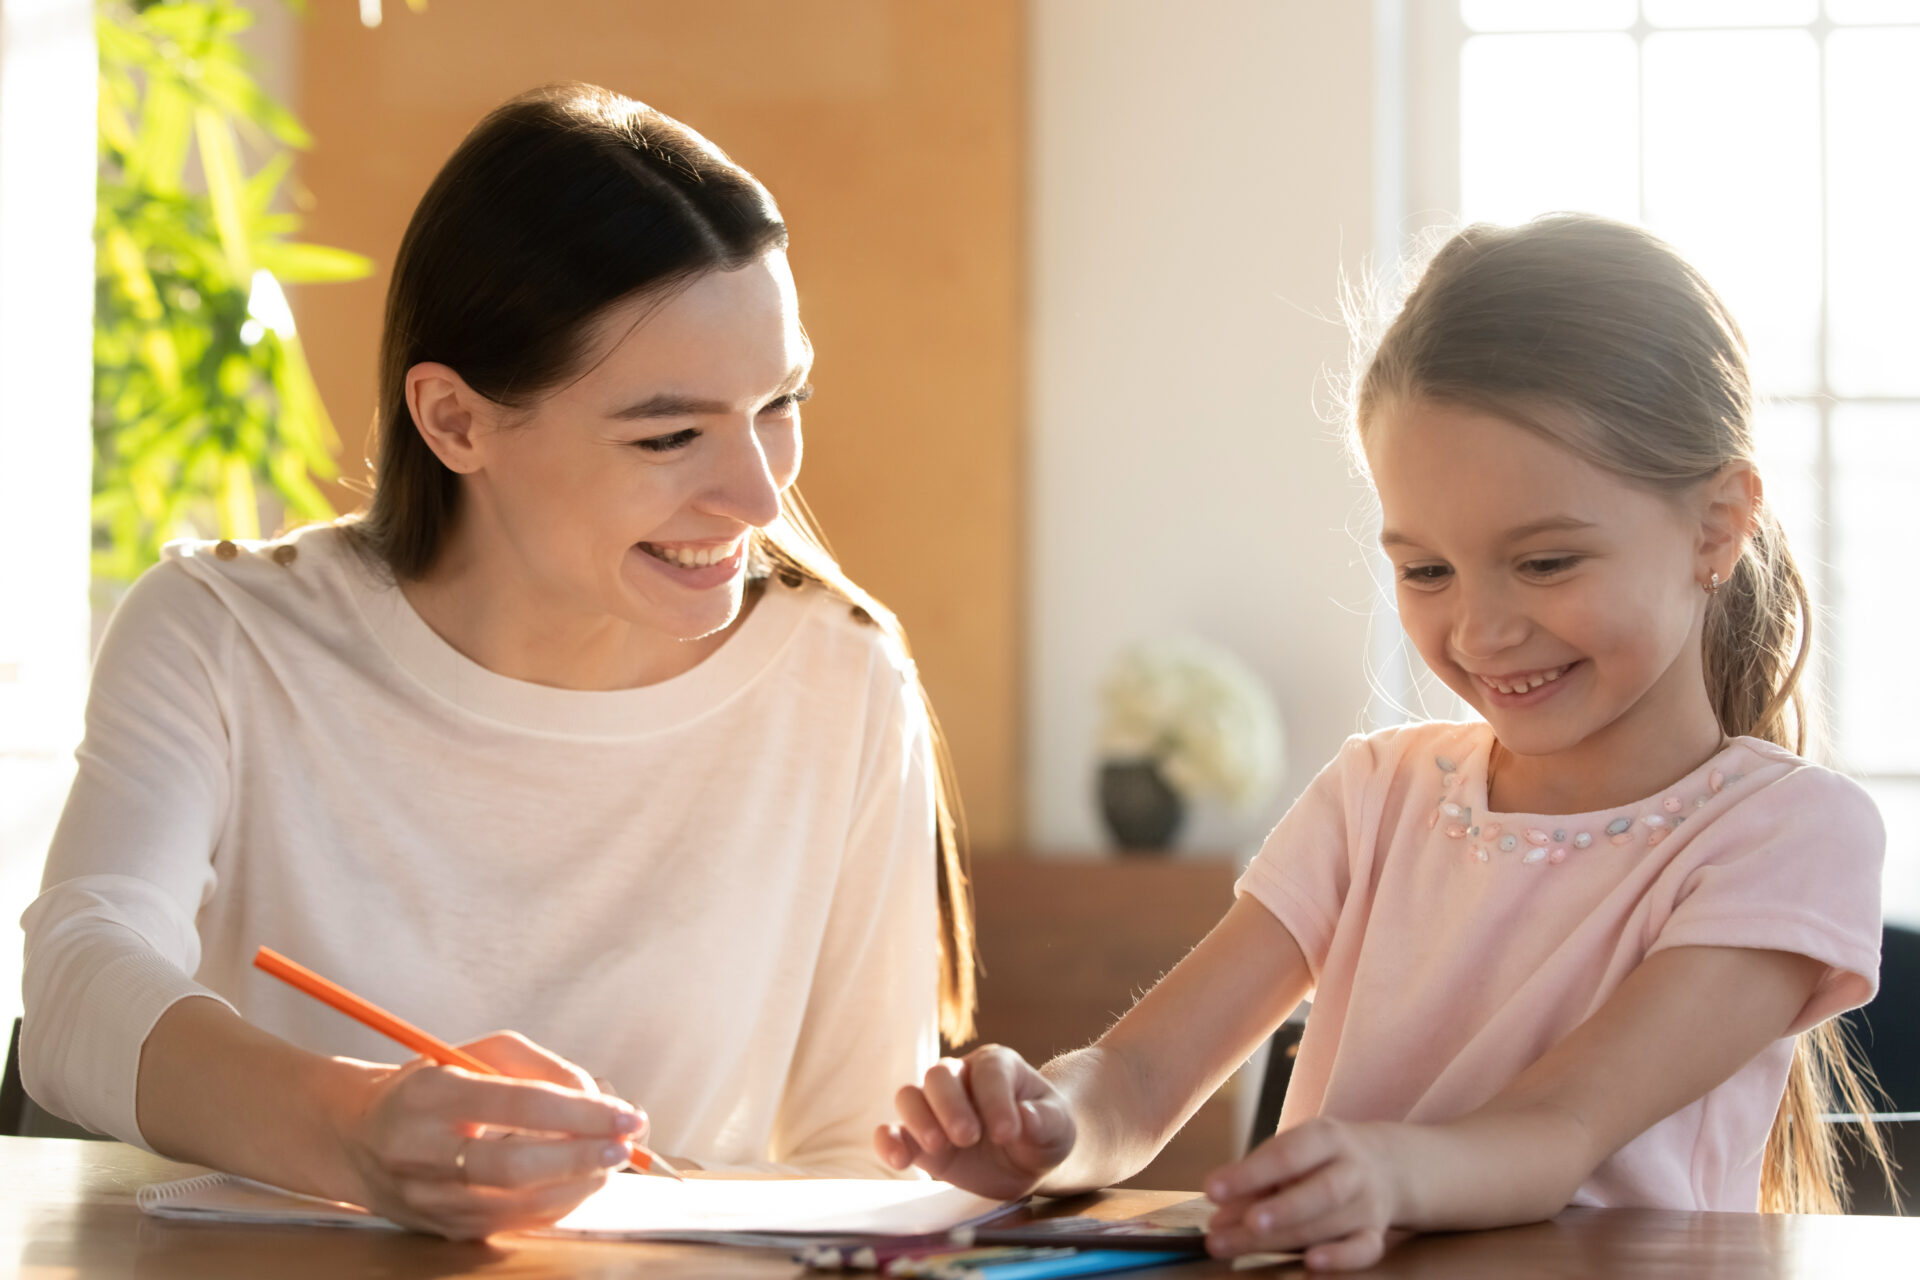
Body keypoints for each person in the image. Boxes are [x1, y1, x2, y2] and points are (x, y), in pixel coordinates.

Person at [23, 82, 975, 1239]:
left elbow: (859, 1166)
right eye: (669, 434)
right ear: (454, 420)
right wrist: (352, 1128)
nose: (760, 494)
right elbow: (75, 988)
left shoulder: (841, 680)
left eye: (780, 402)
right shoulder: (222, 635)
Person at [875, 215, 1889, 1269]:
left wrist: (1382, 1171)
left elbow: (1559, 1129)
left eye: (1544, 563)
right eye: (1425, 570)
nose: (1481, 630)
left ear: (1718, 525)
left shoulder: (1788, 834)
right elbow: (1136, 1081)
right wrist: (1047, 1126)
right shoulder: (1375, 794)